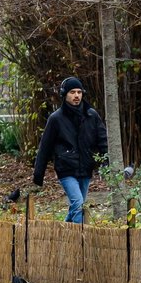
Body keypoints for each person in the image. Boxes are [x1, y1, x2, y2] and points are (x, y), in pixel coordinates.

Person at [33, 77, 108, 223]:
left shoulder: (91, 115)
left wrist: (107, 162)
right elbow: (45, 147)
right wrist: (38, 174)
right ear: (64, 94)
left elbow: (103, 141)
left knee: (77, 206)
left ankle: (62, 233)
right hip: (66, 169)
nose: (76, 95)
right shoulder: (56, 119)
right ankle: (80, 236)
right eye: (72, 92)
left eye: (79, 92)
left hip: (86, 167)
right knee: (78, 204)